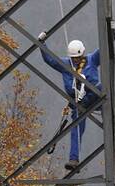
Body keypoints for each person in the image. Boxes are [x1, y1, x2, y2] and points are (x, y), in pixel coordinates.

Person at [37, 31, 102, 170]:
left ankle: (104, 109)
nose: (76, 60)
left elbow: (103, 50)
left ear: (83, 54)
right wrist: (41, 44)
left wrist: (110, 35)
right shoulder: (66, 65)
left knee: (102, 88)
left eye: (78, 58)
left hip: (94, 97)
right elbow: (50, 59)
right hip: (79, 102)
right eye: (74, 58)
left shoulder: (92, 59)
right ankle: (74, 159)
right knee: (76, 126)